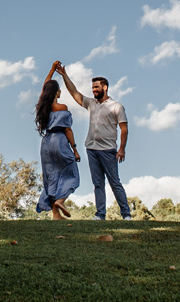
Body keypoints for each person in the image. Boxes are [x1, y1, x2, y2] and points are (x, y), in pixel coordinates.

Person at [56, 62, 132, 221]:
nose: (94, 90)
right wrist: (64, 75)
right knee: (98, 184)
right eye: (92, 88)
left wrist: (122, 149)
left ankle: (126, 214)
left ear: (105, 88)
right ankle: (100, 214)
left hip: (108, 150)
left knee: (114, 183)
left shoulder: (116, 106)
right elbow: (74, 92)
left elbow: (124, 129)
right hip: (91, 149)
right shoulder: (91, 103)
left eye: (96, 87)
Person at [34, 62, 80, 219]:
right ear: (56, 92)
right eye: (59, 90)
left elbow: (45, 86)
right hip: (59, 140)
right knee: (71, 169)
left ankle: (55, 214)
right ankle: (61, 200)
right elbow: (67, 129)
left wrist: (52, 70)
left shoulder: (43, 107)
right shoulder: (62, 108)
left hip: (46, 143)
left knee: (51, 176)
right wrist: (75, 149)